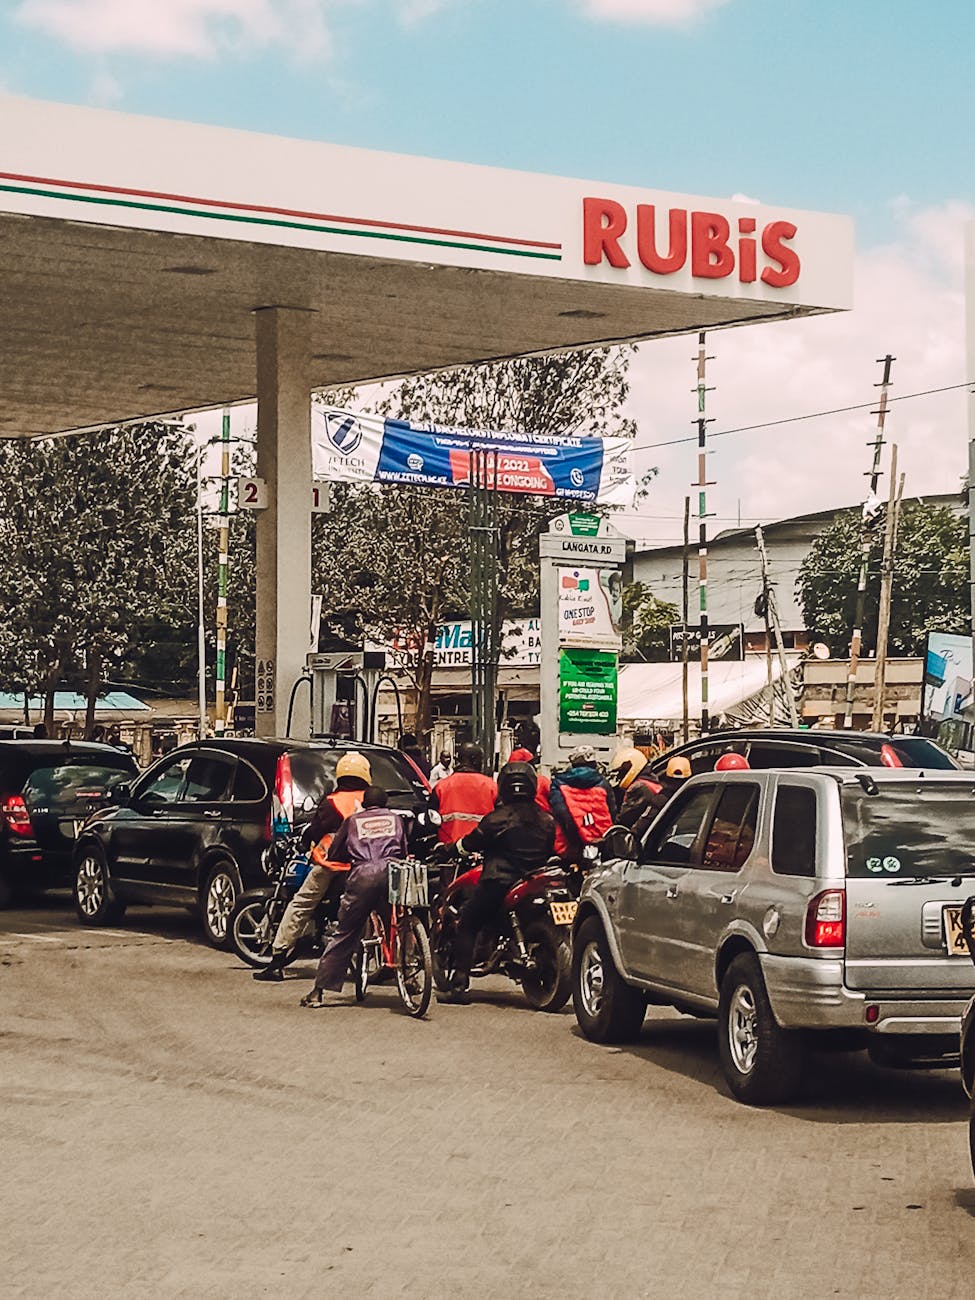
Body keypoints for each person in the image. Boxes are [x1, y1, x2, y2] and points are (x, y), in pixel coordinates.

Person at [434, 760, 556, 1004]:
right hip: (536, 881)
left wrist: (448, 850)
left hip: (499, 881)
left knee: (467, 923)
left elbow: (469, 844)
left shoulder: (496, 819)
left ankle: (459, 986)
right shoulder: (546, 820)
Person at [253, 751, 372, 982]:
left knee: (300, 905)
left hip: (331, 866)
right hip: (363, 866)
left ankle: (277, 962)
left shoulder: (332, 802)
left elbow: (315, 830)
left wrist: (305, 841)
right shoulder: (371, 800)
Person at [299, 785, 409, 1007]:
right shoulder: (395, 820)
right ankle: (410, 975)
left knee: (345, 933)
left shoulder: (352, 821)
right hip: (393, 874)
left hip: (363, 877)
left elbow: (335, 853)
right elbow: (403, 849)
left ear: (365, 803)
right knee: (399, 926)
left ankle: (318, 993)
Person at [548, 745, 617, 862]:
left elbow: (560, 813)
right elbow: (612, 812)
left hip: (570, 846)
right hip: (601, 843)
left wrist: (576, 838)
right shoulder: (603, 783)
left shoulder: (558, 784)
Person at [433, 741, 498, 847]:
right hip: (482, 851)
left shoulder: (441, 786)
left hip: (448, 851)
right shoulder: (492, 787)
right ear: (475, 761)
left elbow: (432, 820)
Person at [609, 745, 669, 831]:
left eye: (622, 772)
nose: (619, 777)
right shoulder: (652, 780)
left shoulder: (638, 788)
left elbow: (625, 818)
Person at [508, 747, 551, 812]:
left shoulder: (505, 784)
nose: (534, 766)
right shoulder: (541, 781)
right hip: (540, 817)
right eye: (531, 764)